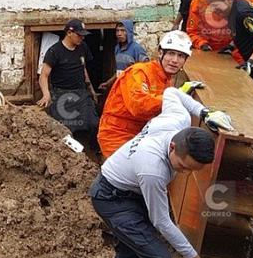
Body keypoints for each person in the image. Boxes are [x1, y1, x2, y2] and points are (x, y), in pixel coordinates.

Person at [91, 125, 217, 258]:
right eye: (183, 166)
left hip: (131, 194)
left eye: (192, 170)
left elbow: (176, 105)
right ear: (172, 146)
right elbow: (161, 221)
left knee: (130, 256)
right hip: (111, 199)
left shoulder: (175, 124)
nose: (185, 172)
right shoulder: (153, 170)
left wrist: (203, 113)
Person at [97, 30, 193, 159]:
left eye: (181, 56)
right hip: (117, 136)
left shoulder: (166, 80)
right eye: (171, 53)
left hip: (139, 134)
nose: (175, 60)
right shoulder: (139, 72)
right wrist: (173, 97)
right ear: (160, 52)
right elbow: (139, 107)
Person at [37, 19, 99, 152]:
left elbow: (83, 69)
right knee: (66, 128)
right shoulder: (54, 51)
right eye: (79, 35)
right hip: (61, 94)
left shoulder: (83, 47)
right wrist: (46, 94)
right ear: (69, 33)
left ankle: (94, 152)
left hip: (81, 93)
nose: (82, 38)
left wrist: (91, 90)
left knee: (94, 123)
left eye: (83, 35)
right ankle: (70, 155)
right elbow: (44, 76)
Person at [98, 20, 149, 91]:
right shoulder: (117, 49)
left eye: (123, 30)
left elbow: (146, 69)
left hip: (133, 88)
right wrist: (108, 83)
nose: (119, 34)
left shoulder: (136, 49)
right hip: (121, 87)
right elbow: (120, 72)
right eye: (117, 31)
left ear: (129, 32)